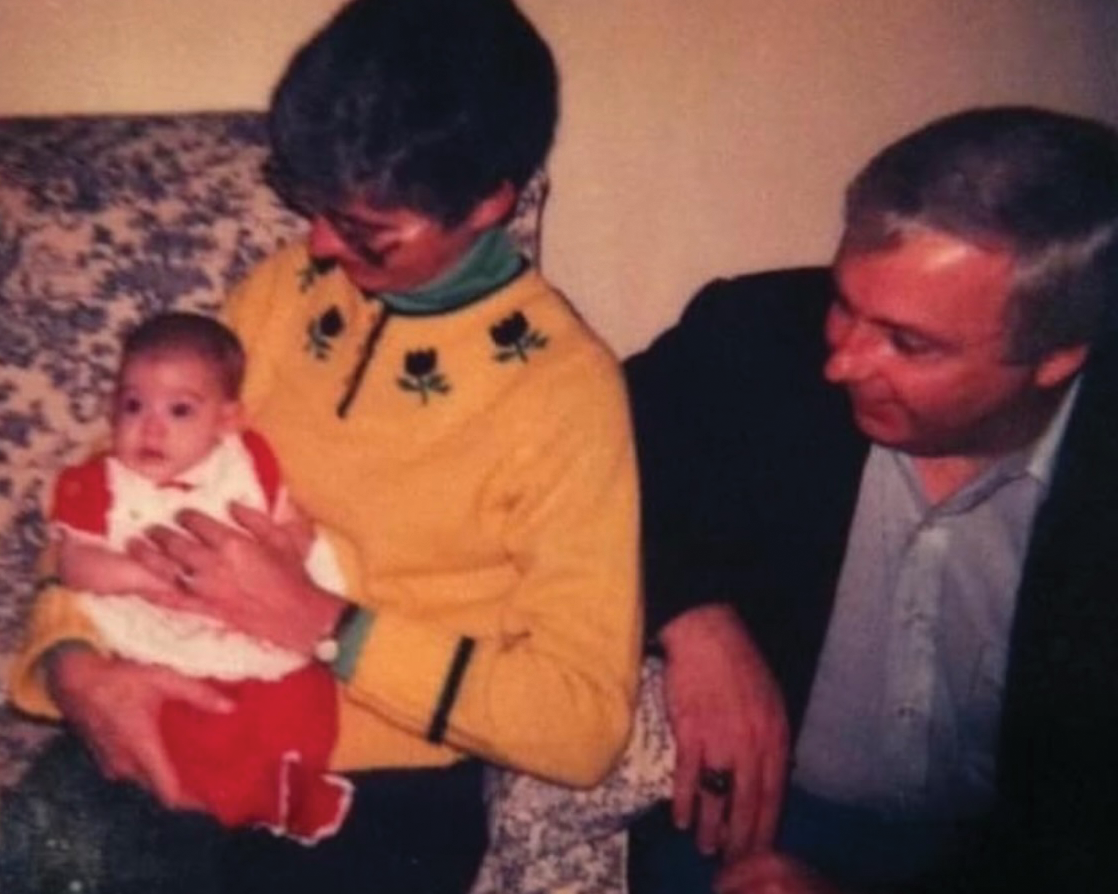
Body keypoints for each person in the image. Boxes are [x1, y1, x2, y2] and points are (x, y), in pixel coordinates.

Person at [7, 1, 640, 892]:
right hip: (168, 700)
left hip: (374, 787)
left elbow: (583, 722)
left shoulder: (564, 396)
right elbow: (106, 492)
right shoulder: (286, 291)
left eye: (366, 231)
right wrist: (73, 669)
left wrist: (321, 624)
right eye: (311, 205)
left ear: (491, 201)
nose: (318, 244)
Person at [624, 106, 1118, 893]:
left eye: (908, 343)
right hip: (760, 815)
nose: (842, 363)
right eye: (845, 304)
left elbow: (1086, 831)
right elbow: (585, 453)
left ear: (1057, 356)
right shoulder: (758, 331)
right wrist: (695, 614)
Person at [51, 311, 351, 841]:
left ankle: (292, 785)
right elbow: (73, 563)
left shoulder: (248, 462)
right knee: (187, 723)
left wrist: (295, 549)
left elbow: (284, 520)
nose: (151, 426)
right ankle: (209, 804)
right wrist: (143, 578)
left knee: (301, 697)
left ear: (227, 420)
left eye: (180, 410)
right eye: (133, 405)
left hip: (253, 616)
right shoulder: (101, 483)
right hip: (160, 635)